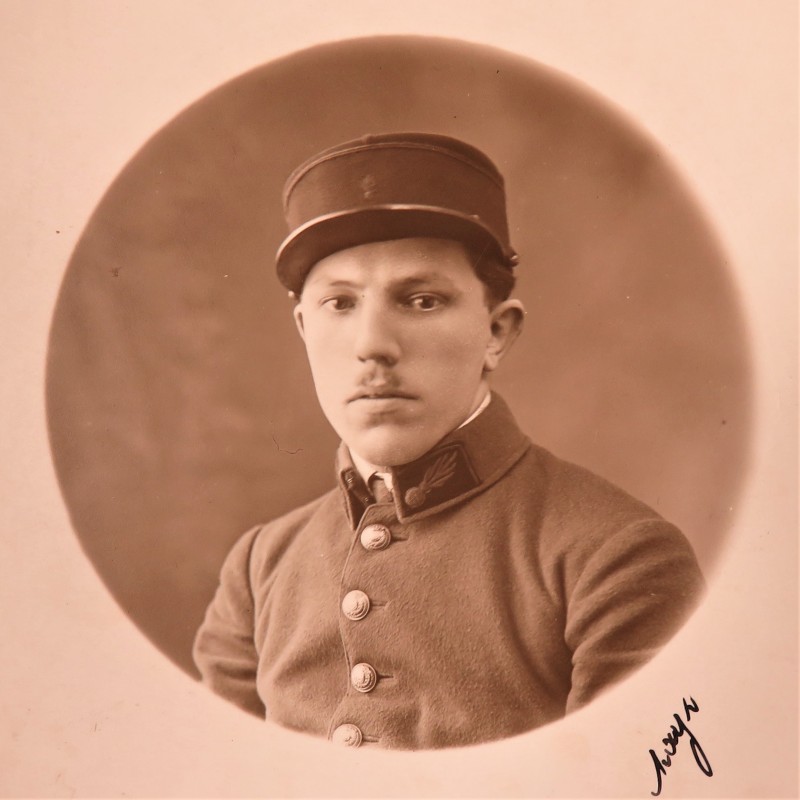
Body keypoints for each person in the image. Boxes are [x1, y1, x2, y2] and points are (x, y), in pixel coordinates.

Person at [193, 132, 705, 750]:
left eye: (422, 300)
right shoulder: (259, 567)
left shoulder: (615, 557)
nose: (372, 344)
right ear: (304, 329)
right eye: (340, 303)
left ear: (496, 332)